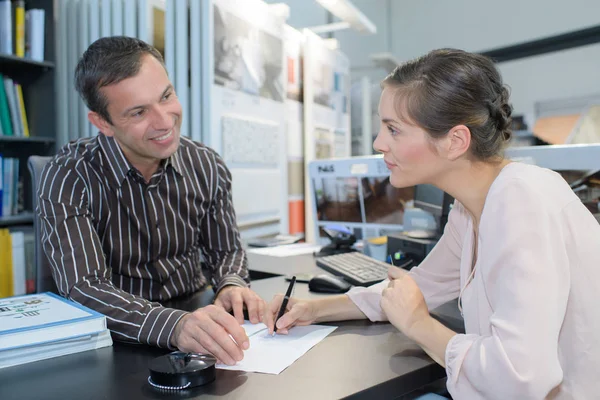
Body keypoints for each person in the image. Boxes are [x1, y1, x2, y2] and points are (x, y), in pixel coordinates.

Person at [264, 49, 600, 399]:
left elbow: (521, 378)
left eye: (393, 129)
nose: (379, 144)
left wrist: (418, 324)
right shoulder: (469, 209)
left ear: (455, 141)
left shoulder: (521, 201)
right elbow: (416, 288)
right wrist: (313, 309)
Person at [38, 36, 265, 366]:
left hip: (199, 320)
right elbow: (85, 287)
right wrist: (173, 325)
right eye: (139, 112)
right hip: (114, 339)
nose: (164, 122)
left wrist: (231, 284)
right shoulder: (69, 176)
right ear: (103, 123)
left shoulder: (207, 164)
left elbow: (225, 250)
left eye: (166, 96)